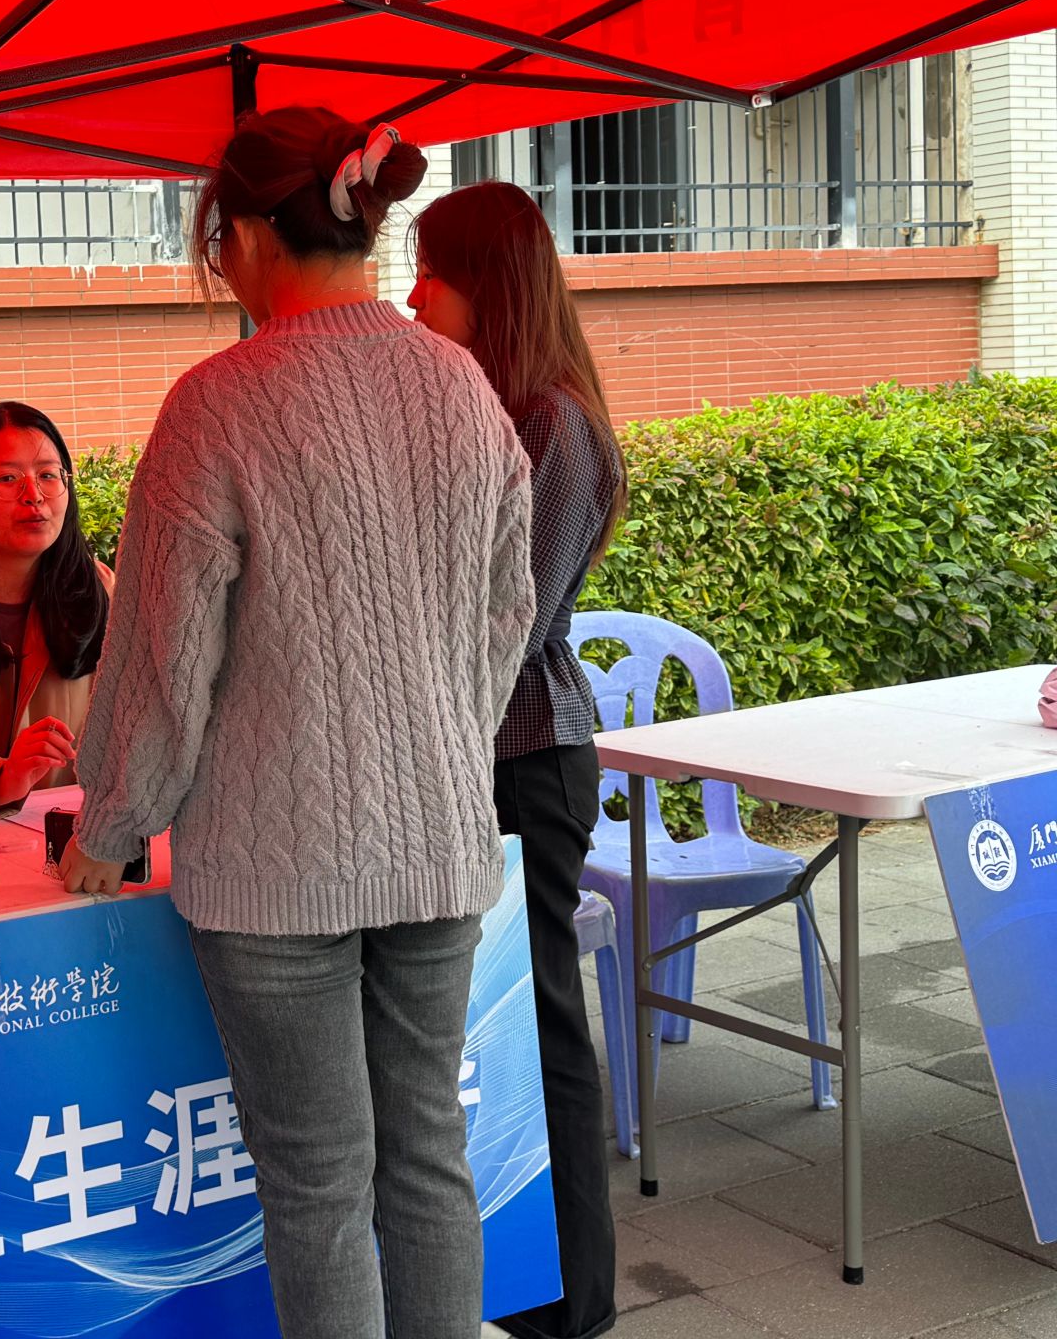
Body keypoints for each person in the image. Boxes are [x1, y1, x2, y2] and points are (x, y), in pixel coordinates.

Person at [63, 106, 537, 1339]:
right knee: (426, 1155)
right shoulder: (461, 386)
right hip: (439, 843)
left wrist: (110, 824)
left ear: (244, 235)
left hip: (275, 869)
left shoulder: (216, 405)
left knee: (317, 1184)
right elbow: (507, 612)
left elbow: (162, 653)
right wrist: (440, 744)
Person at [411, 179, 628, 1339]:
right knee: (495, 1032)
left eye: (428, 276)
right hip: (483, 756)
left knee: (542, 1031)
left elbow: (507, 625)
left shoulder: (550, 424)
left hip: (523, 760)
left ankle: (572, 1305)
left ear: (482, 286)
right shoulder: (496, 410)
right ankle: (522, 1284)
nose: (411, 298)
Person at [0, 402, 114, 821]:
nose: (34, 495)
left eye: (48, 475)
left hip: (66, 843)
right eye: (7, 479)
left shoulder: (102, 592)